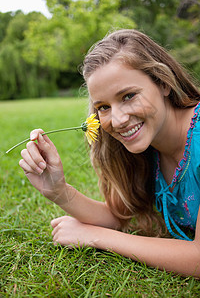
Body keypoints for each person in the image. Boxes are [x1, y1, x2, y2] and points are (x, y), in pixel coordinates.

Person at [19, 29, 200, 278]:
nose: (117, 120)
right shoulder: (148, 149)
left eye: (128, 96)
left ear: (163, 83)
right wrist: (58, 190)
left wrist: (96, 237)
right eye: (103, 107)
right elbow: (118, 216)